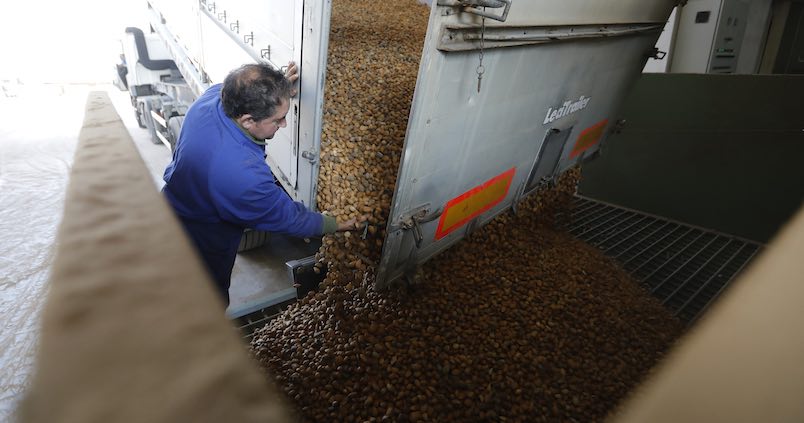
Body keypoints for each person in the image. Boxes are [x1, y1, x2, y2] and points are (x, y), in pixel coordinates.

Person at [162, 62, 357, 305]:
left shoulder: (212, 99)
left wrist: (279, 90)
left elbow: (245, 87)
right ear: (247, 121)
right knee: (208, 298)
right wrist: (333, 223)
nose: (284, 124)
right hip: (201, 233)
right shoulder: (242, 174)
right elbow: (286, 217)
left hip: (169, 207)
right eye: (278, 120)